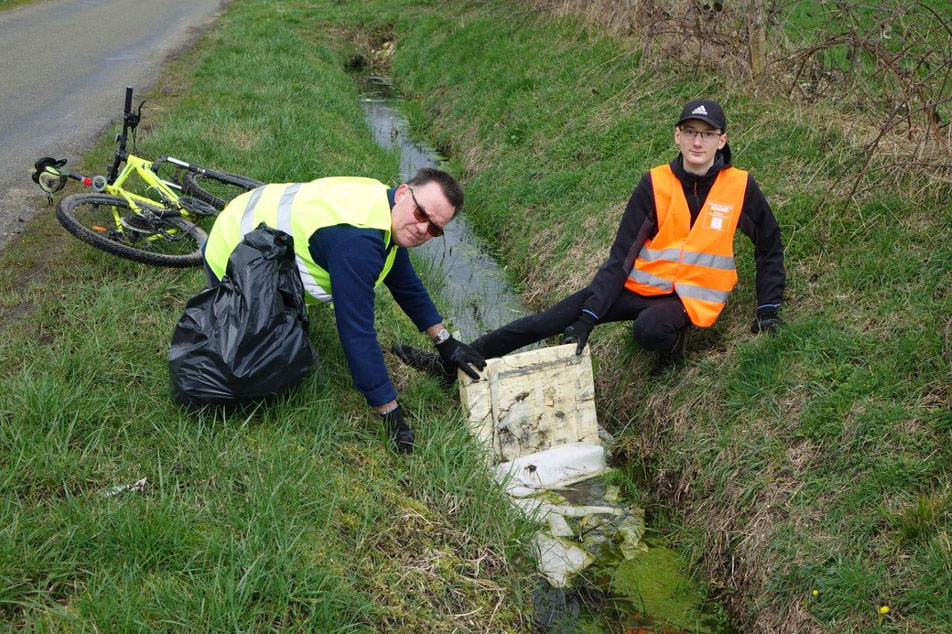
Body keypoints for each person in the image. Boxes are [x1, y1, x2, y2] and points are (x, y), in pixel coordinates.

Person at [394, 99, 785, 381]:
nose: (698, 143)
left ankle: (670, 359)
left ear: (722, 140)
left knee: (650, 331)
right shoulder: (655, 183)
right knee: (545, 321)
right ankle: (450, 364)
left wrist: (767, 306)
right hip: (641, 285)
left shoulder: (740, 187)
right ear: (677, 137)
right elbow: (621, 256)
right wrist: (588, 319)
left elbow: (769, 244)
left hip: (691, 298)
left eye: (707, 135)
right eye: (690, 133)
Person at [202, 168, 486, 454]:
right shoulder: (359, 243)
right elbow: (357, 333)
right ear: (402, 193)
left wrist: (445, 341)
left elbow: (404, 281)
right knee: (268, 368)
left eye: (435, 229)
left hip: (251, 221)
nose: (423, 229)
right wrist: (389, 409)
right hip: (232, 254)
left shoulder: (383, 206)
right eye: (422, 214)